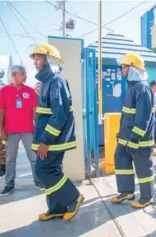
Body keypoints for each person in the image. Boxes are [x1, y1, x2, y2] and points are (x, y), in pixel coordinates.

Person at [30, 43, 83, 221]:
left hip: (53, 140)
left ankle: (73, 197)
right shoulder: (47, 83)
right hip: (50, 139)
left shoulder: (56, 81)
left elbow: (59, 115)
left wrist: (45, 140)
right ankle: (57, 208)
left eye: (38, 58)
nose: (35, 62)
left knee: (43, 170)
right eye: (35, 58)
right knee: (53, 169)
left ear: (48, 59)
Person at [111, 53, 155, 208]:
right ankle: (126, 191)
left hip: (138, 138)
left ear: (133, 69)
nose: (122, 70)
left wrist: (135, 137)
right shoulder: (132, 87)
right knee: (121, 160)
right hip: (125, 137)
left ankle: (147, 197)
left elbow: (143, 117)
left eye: (125, 67)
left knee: (142, 166)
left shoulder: (142, 88)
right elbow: (127, 115)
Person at [0, 65, 43, 196]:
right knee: (10, 159)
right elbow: (1, 112)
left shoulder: (30, 92)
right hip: (10, 131)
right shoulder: (4, 91)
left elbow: (35, 112)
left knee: (33, 157)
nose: (26, 76)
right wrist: (1, 129)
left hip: (28, 130)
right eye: (23, 73)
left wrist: (40, 130)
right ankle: (9, 184)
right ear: (14, 75)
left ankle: (38, 180)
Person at [150, 80, 156, 148]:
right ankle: (154, 143)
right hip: (153, 114)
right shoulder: (150, 93)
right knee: (154, 129)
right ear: (152, 86)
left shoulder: (155, 93)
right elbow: (151, 105)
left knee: (155, 128)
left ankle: (154, 143)